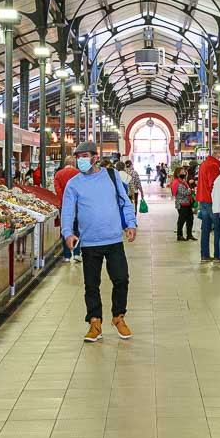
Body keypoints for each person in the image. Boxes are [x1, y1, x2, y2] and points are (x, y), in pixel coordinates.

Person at [61, 141, 138, 342]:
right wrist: (67, 233)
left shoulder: (111, 176)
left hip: (114, 240)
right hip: (89, 242)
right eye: (78, 157)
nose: (81, 161)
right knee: (91, 285)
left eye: (85, 156)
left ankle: (118, 317)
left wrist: (131, 223)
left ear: (95, 158)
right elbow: (67, 211)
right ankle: (94, 322)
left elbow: (125, 201)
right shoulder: (74, 184)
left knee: (121, 279)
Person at [196, 146, 220, 262]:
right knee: (218, 228)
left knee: (206, 228)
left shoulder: (204, 164)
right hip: (211, 201)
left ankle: (204, 255)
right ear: (218, 154)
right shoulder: (213, 166)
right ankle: (218, 255)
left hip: (203, 199)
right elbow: (214, 185)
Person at [54, 156, 82, 263]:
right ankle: (77, 253)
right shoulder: (79, 173)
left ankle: (66, 255)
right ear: (74, 163)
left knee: (66, 229)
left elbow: (58, 190)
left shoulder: (58, 174)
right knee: (77, 228)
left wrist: (65, 201)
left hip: (64, 205)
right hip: (78, 205)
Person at [172, 169, 196, 241]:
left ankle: (189, 235)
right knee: (181, 220)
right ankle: (179, 235)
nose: (184, 173)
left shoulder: (183, 181)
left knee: (190, 219)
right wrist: (190, 191)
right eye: (182, 172)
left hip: (187, 203)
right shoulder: (177, 182)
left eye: (184, 172)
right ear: (177, 174)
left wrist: (189, 190)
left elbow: (187, 190)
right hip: (182, 204)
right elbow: (184, 192)